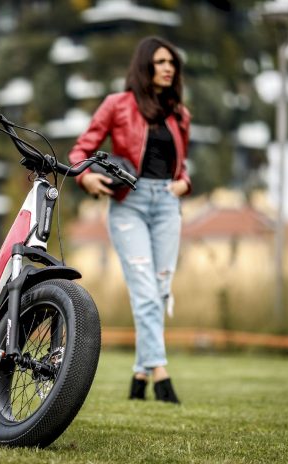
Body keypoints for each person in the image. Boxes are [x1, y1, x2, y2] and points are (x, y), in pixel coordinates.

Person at [68, 36, 191, 403]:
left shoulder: (179, 114)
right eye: (161, 62)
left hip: (167, 203)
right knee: (146, 290)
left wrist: (184, 184)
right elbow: (80, 151)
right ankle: (160, 374)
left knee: (160, 290)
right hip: (129, 204)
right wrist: (86, 179)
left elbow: (182, 165)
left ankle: (139, 375)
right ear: (144, 65)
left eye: (172, 62)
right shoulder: (117, 104)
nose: (168, 68)